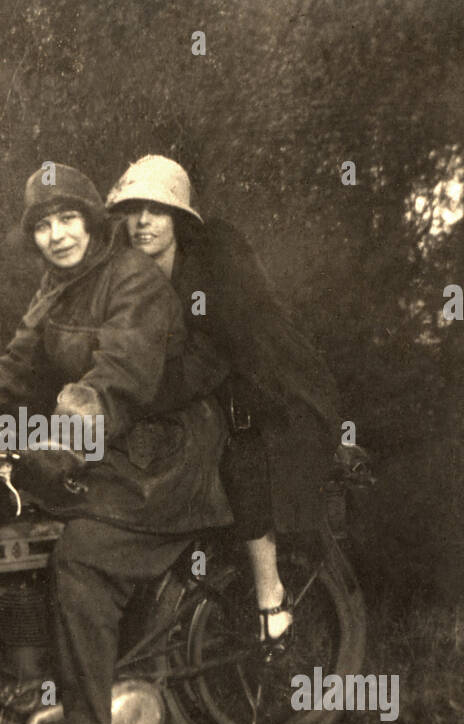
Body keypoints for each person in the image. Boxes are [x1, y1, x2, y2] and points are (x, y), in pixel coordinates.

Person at [0, 163, 232, 724]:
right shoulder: (54, 287)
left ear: (93, 222)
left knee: (82, 558)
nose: (58, 234)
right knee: (13, 526)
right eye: (43, 226)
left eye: (68, 218)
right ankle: (13, 684)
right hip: (113, 450)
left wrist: (61, 441)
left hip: (164, 462)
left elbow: (118, 378)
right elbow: (14, 368)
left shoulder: (134, 281)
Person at [106, 155, 341, 642]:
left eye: (157, 210)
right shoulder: (137, 269)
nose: (143, 221)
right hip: (217, 387)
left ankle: (269, 597)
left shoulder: (214, 269)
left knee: (240, 457)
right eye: (135, 210)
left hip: (278, 391)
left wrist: (129, 401)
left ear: (179, 219)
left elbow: (210, 360)